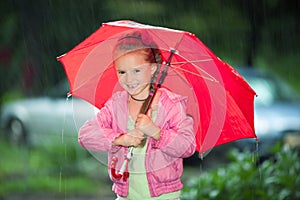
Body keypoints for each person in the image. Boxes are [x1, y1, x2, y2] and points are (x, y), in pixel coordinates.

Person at [78, 30, 196, 200]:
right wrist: (120, 139)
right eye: (122, 72)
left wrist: (156, 132)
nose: (129, 79)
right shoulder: (116, 104)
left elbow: (187, 146)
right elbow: (86, 135)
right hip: (126, 195)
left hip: (164, 197)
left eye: (137, 71)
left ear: (153, 68)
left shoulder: (171, 105)